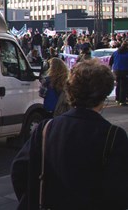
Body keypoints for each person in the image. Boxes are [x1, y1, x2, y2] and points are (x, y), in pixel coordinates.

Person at [11, 59, 128, 209]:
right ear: (103, 96)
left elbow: (19, 170)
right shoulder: (113, 136)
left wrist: (33, 199)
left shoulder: (46, 128)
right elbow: (119, 191)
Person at [109, 41, 128, 105]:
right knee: (124, 85)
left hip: (116, 71)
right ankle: (122, 100)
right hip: (124, 71)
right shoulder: (126, 53)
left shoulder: (115, 53)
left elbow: (110, 62)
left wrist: (111, 68)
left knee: (118, 85)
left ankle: (117, 99)